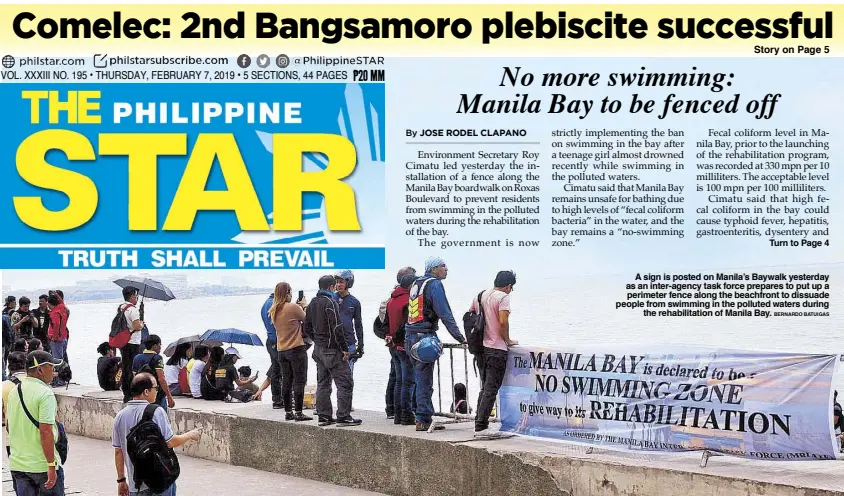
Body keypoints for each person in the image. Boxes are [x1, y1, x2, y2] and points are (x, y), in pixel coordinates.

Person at [113, 372, 201, 496]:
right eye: (155, 388)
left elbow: (118, 451)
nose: (157, 391)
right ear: (146, 392)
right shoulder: (156, 411)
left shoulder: (120, 417)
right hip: (160, 480)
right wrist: (189, 435)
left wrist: (121, 480)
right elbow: (170, 442)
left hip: (136, 485)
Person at [405, 257, 467, 431]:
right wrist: (460, 337)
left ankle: (419, 414)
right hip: (424, 337)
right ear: (433, 269)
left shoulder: (417, 283)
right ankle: (423, 419)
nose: (446, 269)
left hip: (410, 335)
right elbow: (444, 312)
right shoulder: (434, 285)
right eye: (443, 266)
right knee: (424, 381)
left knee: (417, 379)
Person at [6, 350, 65, 495]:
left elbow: (8, 425)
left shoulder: (15, 391)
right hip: (41, 465)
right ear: (40, 370)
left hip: (19, 464)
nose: (54, 370)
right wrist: (51, 465)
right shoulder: (45, 393)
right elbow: (46, 432)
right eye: (51, 366)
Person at [304, 275, 361, 426]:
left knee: (323, 383)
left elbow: (306, 328)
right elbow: (337, 328)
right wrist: (344, 349)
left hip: (318, 349)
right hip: (332, 349)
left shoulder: (312, 303)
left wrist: (316, 340)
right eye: (334, 285)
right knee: (345, 383)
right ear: (331, 287)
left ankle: (324, 416)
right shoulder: (330, 302)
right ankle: (343, 416)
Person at [470, 270, 518, 432]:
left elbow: (471, 313)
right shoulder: (503, 297)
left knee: (485, 387)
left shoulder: (481, 295)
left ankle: (479, 419)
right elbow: (503, 322)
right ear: (508, 286)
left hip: (482, 348)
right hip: (497, 348)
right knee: (491, 388)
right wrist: (508, 340)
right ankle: (481, 424)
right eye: (512, 288)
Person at [257, 282, 311, 421]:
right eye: (290, 292)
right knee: (299, 380)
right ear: (287, 293)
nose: (291, 295)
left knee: (286, 381)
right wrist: (304, 305)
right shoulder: (293, 307)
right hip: (296, 348)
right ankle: (298, 412)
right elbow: (308, 319)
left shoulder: (273, 310)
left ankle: (288, 412)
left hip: (282, 350)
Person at [385, 267, 418, 426]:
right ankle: (407, 415)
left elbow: (386, 323)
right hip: (404, 345)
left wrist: (390, 336)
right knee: (408, 382)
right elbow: (406, 324)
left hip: (394, 346)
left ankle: (398, 414)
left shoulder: (391, 300)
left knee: (399, 381)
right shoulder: (408, 301)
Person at [132, 335, 174, 410]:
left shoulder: (137, 358)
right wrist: (169, 396)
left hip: (142, 394)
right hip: (156, 394)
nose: (160, 347)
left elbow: (135, 378)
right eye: (159, 345)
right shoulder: (157, 358)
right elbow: (161, 379)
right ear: (155, 346)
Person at [118, 286, 145, 403]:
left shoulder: (121, 307)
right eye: (135, 296)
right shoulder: (133, 310)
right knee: (132, 368)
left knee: (125, 366)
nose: (136, 298)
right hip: (132, 341)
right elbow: (136, 326)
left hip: (123, 341)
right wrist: (142, 324)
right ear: (132, 296)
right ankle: (132, 391)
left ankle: (126, 392)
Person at [334, 270, 364, 375]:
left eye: (341, 282)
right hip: (333, 343)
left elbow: (358, 324)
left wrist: (361, 344)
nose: (338, 285)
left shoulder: (354, 302)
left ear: (348, 283)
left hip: (349, 343)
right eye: (337, 282)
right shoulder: (331, 299)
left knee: (347, 377)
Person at [260, 292, 284, 409]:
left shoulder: (265, 304)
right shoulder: (274, 305)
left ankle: (277, 399)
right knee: (279, 370)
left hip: (271, 340)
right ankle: (279, 399)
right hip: (276, 340)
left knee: (276, 369)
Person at [3, 351, 27, 460]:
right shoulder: (37, 383)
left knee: (18, 475)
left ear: (9, 367)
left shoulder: (4, 387)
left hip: (12, 440)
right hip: (35, 439)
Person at [46, 294, 68, 386]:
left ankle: (60, 381)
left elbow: (56, 325)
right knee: (60, 359)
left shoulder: (55, 312)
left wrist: (54, 337)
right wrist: (56, 294)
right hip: (63, 337)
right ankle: (60, 379)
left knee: (57, 361)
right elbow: (62, 302)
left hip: (57, 340)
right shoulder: (62, 308)